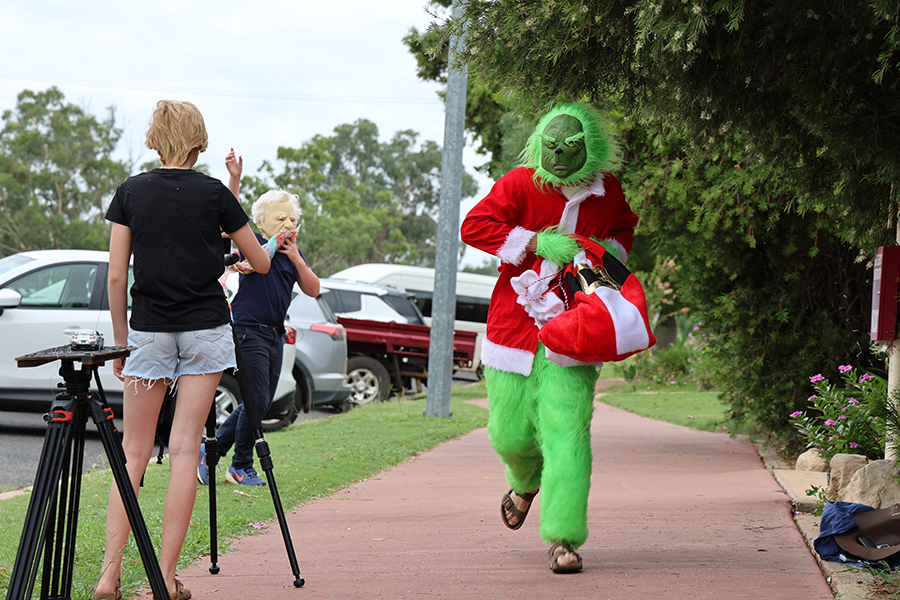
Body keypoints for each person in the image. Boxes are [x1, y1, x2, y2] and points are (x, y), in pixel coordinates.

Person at [93, 100, 271, 600]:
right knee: (184, 450)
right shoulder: (214, 194)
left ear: (155, 137)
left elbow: (114, 274)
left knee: (133, 453)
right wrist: (231, 222)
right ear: (199, 140)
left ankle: (109, 574)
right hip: (204, 331)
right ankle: (165, 577)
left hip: (147, 330)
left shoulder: (131, 192)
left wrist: (121, 342)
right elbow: (256, 261)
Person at [460, 102, 639, 574]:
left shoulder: (608, 192)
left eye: (570, 151)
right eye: (551, 149)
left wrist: (598, 256)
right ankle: (524, 481)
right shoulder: (520, 183)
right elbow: (474, 226)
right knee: (510, 433)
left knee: (567, 434)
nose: (558, 159)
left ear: (590, 153)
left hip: (577, 329)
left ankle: (563, 537)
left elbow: (624, 229)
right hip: (513, 327)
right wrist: (537, 243)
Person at [198, 155, 319, 487]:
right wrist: (234, 178)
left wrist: (295, 256)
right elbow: (228, 213)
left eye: (292, 218)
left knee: (261, 400)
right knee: (257, 398)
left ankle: (211, 454)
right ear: (263, 222)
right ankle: (240, 464)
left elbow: (313, 289)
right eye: (280, 218)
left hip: (275, 334)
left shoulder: (292, 253)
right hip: (249, 330)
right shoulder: (254, 247)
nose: (288, 223)